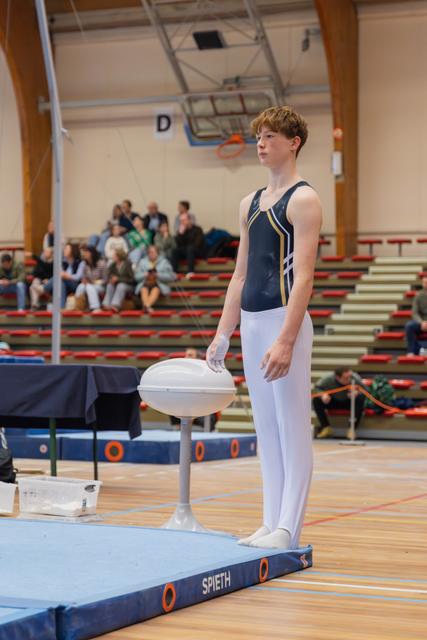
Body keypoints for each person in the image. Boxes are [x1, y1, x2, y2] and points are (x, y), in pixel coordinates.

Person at [205, 106, 322, 550]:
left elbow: (305, 277)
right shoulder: (248, 203)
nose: (261, 143)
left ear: (293, 143)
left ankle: (289, 529)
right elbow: (239, 274)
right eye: (259, 136)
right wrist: (222, 333)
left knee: (292, 427)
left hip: (282, 321)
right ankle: (270, 519)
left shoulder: (304, 200)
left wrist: (287, 339)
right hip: (252, 322)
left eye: (271, 136)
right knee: (265, 428)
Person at [313, 367, 366, 439]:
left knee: (360, 398)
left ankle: (352, 429)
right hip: (332, 401)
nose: (349, 379)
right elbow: (317, 388)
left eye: (350, 376)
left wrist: (357, 393)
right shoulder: (328, 379)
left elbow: (365, 390)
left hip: (349, 402)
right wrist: (323, 395)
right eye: (346, 378)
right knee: (316, 400)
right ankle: (326, 427)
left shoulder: (355, 377)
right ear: (337, 377)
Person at [134, 244, 176, 312]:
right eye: (150, 252)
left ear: (157, 253)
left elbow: (171, 276)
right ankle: (147, 307)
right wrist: (145, 275)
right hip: (145, 283)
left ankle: (146, 306)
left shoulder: (164, 262)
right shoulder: (142, 262)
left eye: (153, 252)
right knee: (143, 289)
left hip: (159, 284)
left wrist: (157, 275)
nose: (151, 254)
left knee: (155, 289)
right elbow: (136, 277)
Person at [44, 242, 84, 308]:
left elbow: (78, 277)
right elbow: (60, 274)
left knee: (60, 279)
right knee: (61, 282)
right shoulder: (63, 262)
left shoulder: (80, 262)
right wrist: (63, 275)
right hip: (64, 283)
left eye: (66, 249)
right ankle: (61, 307)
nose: (64, 250)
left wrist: (68, 276)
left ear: (73, 250)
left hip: (75, 285)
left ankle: (44, 287)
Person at [170, 211, 205, 278]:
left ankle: (190, 271)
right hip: (187, 251)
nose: (182, 222)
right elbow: (179, 245)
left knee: (190, 248)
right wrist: (180, 234)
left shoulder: (197, 229)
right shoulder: (182, 231)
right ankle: (174, 271)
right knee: (175, 250)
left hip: (197, 251)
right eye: (181, 221)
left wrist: (187, 238)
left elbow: (197, 243)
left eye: (184, 220)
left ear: (189, 220)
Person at [75, 245, 108, 311]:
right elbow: (84, 277)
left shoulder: (102, 263)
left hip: (101, 286)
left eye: (87, 252)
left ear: (92, 253)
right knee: (81, 286)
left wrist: (94, 282)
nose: (84, 254)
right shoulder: (85, 265)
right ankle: (78, 306)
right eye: (84, 252)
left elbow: (106, 280)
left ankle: (95, 307)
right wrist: (84, 280)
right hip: (90, 284)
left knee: (89, 287)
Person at [405, 276, 427, 355]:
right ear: (423, 284)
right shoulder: (418, 295)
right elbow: (414, 312)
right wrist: (421, 322)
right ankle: (411, 351)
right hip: (422, 322)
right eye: (425, 283)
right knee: (409, 326)